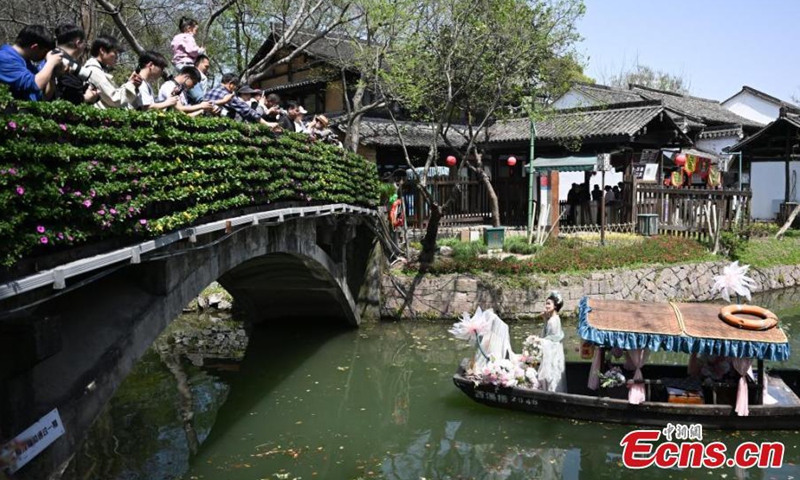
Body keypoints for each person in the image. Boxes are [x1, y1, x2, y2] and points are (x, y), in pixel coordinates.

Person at [0, 25, 62, 101]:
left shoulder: (26, 61)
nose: (45, 56)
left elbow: (44, 96)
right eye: (45, 51)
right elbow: (35, 85)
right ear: (34, 47)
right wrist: (51, 62)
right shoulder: (4, 58)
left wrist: (52, 74)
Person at [83, 35, 141, 109]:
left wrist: (130, 83)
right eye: (115, 52)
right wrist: (131, 84)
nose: (117, 57)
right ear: (102, 50)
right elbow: (114, 99)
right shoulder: (94, 71)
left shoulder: (98, 70)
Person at [204, 73, 276, 128]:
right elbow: (247, 110)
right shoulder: (228, 95)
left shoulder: (209, 92)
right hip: (220, 128)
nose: (235, 88)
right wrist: (266, 123)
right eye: (236, 86)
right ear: (231, 84)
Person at [52, 24, 99, 105]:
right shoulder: (69, 65)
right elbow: (69, 99)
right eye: (84, 43)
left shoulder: (51, 56)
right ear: (78, 43)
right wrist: (86, 97)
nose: (84, 47)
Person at [538, 291, 566, 392]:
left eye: (549, 303)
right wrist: (545, 319)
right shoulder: (552, 319)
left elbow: (551, 340)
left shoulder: (553, 321)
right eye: (546, 303)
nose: (546, 306)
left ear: (555, 306)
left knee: (552, 375)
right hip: (553, 351)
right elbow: (547, 336)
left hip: (553, 352)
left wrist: (538, 341)